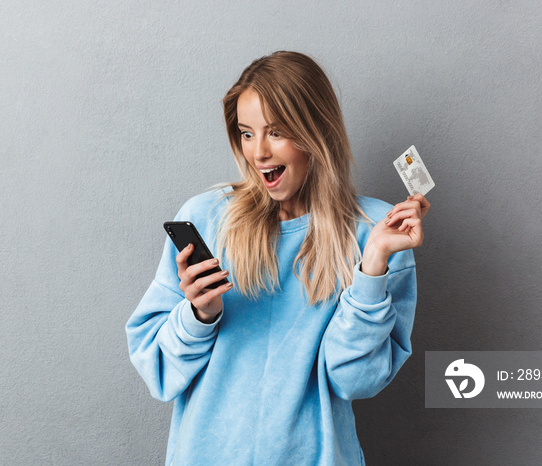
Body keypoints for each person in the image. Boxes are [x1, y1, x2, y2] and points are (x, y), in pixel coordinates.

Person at [126, 51, 430, 465]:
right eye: (247, 133)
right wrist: (199, 316)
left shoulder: (377, 231)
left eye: (276, 131)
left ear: (316, 131)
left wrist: (372, 266)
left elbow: (354, 379)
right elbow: (156, 368)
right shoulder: (205, 218)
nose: (259, 153)